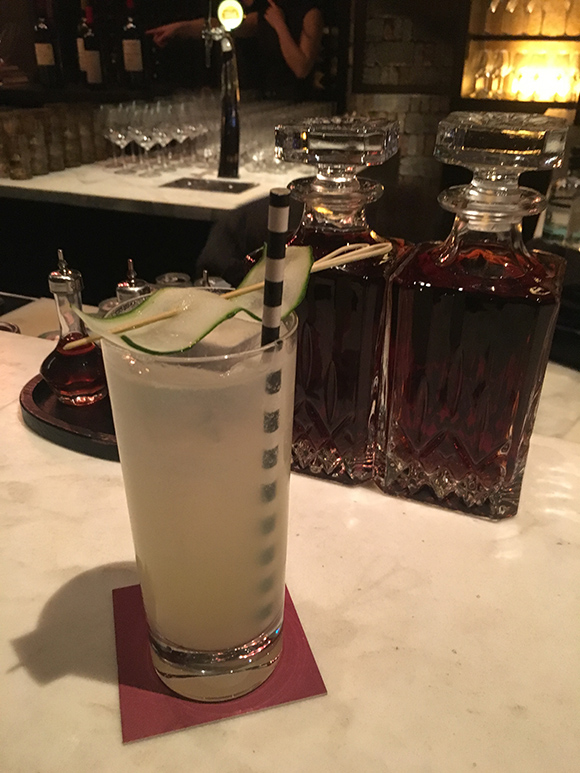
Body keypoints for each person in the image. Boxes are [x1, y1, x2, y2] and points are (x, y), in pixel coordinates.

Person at [146, 0, 324, 100]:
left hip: (301, 104)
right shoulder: (269, 11)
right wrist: (180, 27)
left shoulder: (310, 13)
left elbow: (301, 68)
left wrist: (279, 25)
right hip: (269, 101)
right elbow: (224, 26)